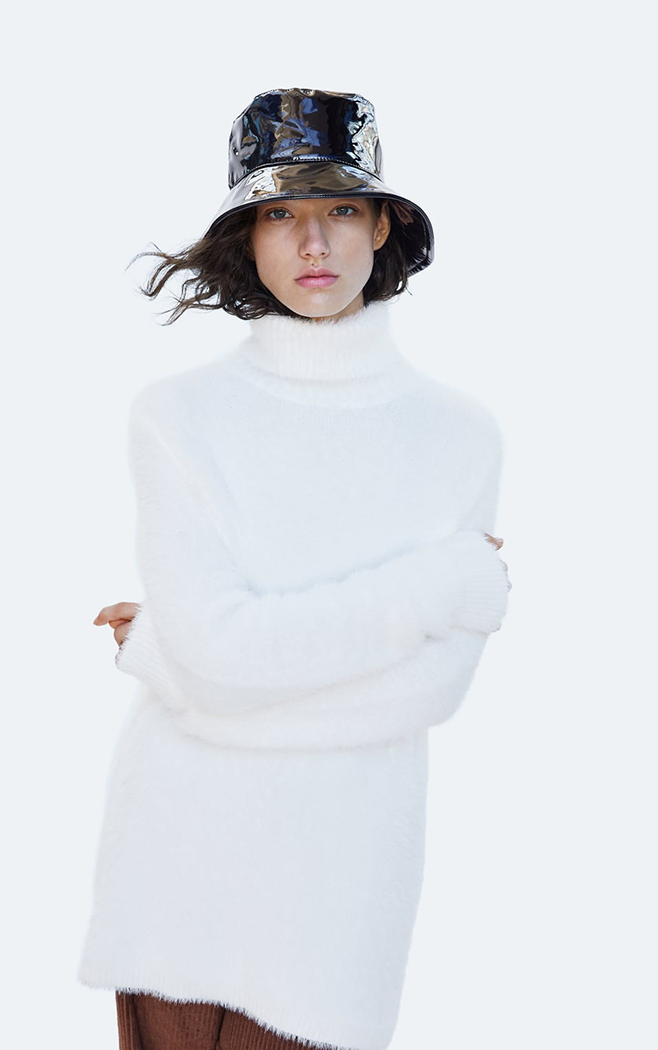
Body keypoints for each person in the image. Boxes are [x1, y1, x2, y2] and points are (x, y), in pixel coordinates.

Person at [77, 87, 512, 1050]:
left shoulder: (457, 435)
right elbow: (219, 657)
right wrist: (440, 585)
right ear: (247, 233)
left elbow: (429, 693)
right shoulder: (177, 415)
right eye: (280, 213)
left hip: (338, 890)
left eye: (340, 208)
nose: (313, 242)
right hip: (176, 860)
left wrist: (172, 660)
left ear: (383, 224)